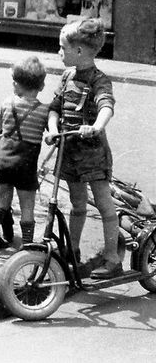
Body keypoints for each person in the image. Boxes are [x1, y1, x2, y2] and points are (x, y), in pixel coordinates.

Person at [44, 17, 121, 279]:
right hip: (69, 151)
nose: (59, 53)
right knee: (77, 204)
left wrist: (97, 126)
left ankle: (112, 258)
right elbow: (54, 108)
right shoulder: (67, 76)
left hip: (92, 154)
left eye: (62, 48)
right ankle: (72, 250)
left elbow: (106, 105)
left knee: (103, 203)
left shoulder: (99, 80)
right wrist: (53, 129)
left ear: (78, 51)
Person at [0, 56, 49, 250]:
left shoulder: (7, 103)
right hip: (26, 163)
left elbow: (1, 128)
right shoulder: (43, 111)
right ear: (42, 86)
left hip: (4, 159)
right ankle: (27, 246)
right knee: (27, 207)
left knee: (3, 201)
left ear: (16, 84)